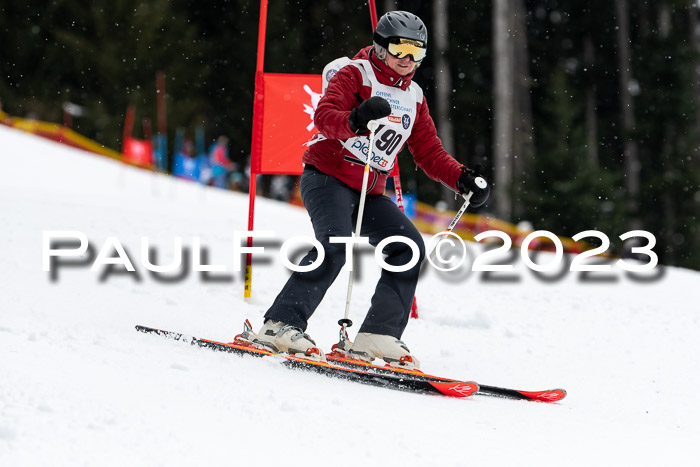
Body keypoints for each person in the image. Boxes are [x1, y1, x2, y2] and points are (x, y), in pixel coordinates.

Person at [252, 11, 490, 368]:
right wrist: (356, 118)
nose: (407, 59)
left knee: (407, 247)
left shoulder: (414, 97)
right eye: (400, 48)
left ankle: (377, 335)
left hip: (369, 190)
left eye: (416, 52)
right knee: (335, 245)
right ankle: (280, 324)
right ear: (380, 46)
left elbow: (427, 151)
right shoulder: (354, 73)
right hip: (328, 176)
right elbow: (325, 117)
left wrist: (462, 178)